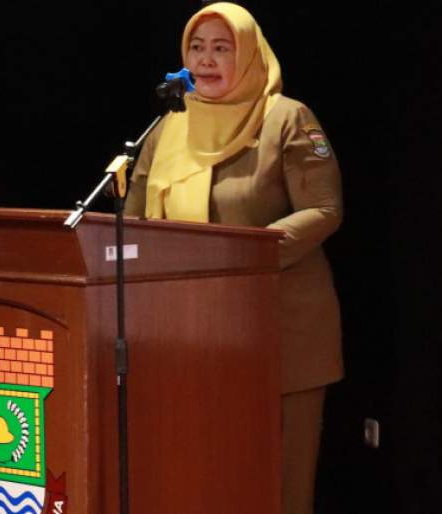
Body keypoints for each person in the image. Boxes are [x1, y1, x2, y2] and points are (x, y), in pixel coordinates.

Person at [123, 3, 343, 513]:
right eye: (196, 48)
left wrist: (241, 260)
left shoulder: (286, 118)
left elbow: (324, 210)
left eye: (222, 48)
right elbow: (132, 223)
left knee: (276, 487)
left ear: (248, 56)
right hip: (187, 334)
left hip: (280, 334)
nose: (205, 60)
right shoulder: (168, 126)